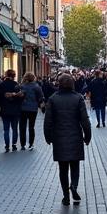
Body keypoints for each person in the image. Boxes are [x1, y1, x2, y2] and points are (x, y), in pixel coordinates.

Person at [43, 72, 92, 204]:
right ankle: (74, 186)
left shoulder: (53, 98)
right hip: (75, 136)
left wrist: (48, 136)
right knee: (75, 165)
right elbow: (85, 120)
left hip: (59, 137)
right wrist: (87, 136)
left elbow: (48, 121)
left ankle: (66, 196)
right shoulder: (78, 98)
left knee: (63, 168)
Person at [0, 70, 23, 151]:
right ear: (14, 76)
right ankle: (14, 144)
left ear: (6, 75)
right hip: (15, 110)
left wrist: (2, 104)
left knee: (6, 129)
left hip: (5, 110)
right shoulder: (16, 85)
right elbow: (20, 98)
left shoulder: (1, 85)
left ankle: (7, 146)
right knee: (14, 128)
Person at [19, 73, 44, 149]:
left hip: (23, 108)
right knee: (31, 126)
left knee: (22, 127)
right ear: (33, 78)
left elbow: (17, 91)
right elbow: (41, 97)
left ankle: (22, 144)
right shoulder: (37, 87)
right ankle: (31, 143)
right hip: (33, 109)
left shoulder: (22, 86)